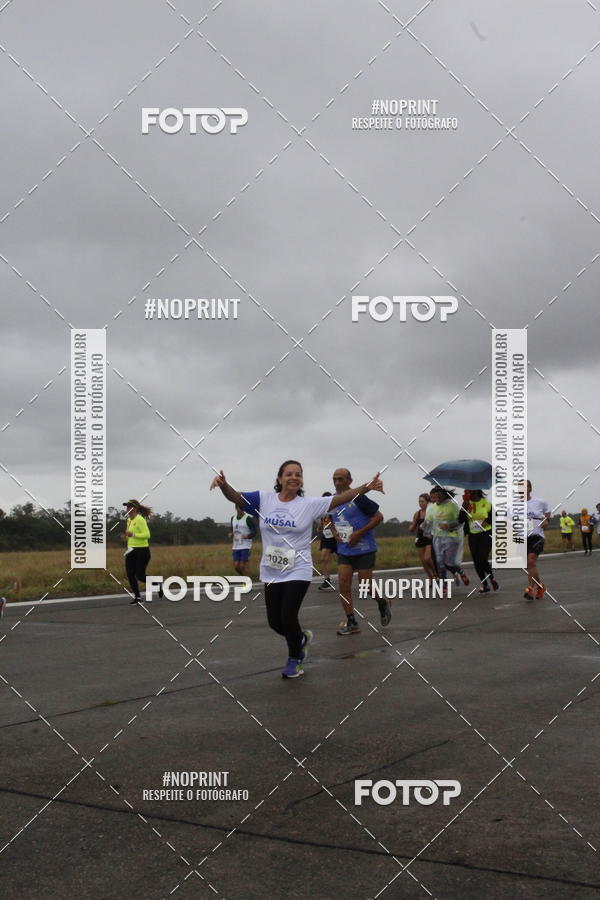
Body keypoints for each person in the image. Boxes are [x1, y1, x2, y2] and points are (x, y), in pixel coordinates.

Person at [210, 462, 384, 678]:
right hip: (272, 569)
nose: (294, 477)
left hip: (298, 568)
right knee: (275, 622)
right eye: (289, 474)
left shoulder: (309, 504)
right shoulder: (264, 500)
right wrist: (223, 485)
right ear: (280, 478)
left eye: (298, 475)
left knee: (288, 615)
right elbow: (236, 498)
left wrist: (366, 487)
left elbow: (343, 498)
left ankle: (295, 659)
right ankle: (300, 639)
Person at [327, 468, 388, 635]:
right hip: (344, 550)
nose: (337, 482)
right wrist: (333, 532)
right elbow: (328, 519)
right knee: (343, 584)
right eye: (335, 479)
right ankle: (352, 622)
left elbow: (379, 517)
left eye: (341, 479)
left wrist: (359, 533)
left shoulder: (358, 498)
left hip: (364, 548)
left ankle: (382, 602)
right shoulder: (332, 500)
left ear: (349, 480)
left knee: (365, 586)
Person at [425, 487, 470, 596]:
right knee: (440, 562)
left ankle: (460, 572)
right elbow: (428, 522)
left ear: (444, 495)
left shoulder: (452, 506)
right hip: (438, 538)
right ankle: (444, 585)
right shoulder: (431, 508)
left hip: (451, 537)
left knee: (450, 562)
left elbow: (459, 522)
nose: (436, 498)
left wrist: (448, 526)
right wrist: (424, 529)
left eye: (437, 495)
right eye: (434, 496)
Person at [122, 499, 163, 604]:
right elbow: (130, 535)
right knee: (130, 574)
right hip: (131, 550)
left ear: (135, 508)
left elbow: (147, 535)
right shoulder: (129, 520)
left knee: (139, 575)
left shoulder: (140, 520)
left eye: (129, 507)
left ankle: (157, 584)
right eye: (126, 507)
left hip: (142, 550)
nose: (127, 509)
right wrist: (125, 536)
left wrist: (133, 535)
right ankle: (138, 597)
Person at [461, 490, 498, 593]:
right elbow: (460, 519)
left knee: (482, 559)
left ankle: (492, 578)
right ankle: (485, 584)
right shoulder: (467, 504)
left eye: (470, 491)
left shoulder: (486, 503)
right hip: (473, 535)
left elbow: (495, 516)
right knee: (476, 562)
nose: (468, 492)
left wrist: (487, 521)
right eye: (467, 491)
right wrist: (464, 505)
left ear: (476, 491)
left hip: (486, 534)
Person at [524, 480, 551, 600]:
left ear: (530, 488)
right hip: (523, 537)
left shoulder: (539, 502)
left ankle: (530, 590)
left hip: (537, 536)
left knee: (531, 561)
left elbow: (548, 512)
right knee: (530, 565)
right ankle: (540, 586)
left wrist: (546, 521)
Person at [409, 493, 437, 581]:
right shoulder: (417, 514)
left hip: (429, 538)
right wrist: (411, 528)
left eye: (422, 501)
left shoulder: (432, 512)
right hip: (419, 538)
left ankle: (436, 574)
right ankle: (431, 579)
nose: (420, 503)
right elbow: (412, 527)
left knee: (427, 558)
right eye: (419, 501)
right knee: (424, 562)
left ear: (428, 502)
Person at [229, 504, 257, 576]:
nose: (240, 510)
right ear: (236, 508)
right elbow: (233, 529)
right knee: (236, 567)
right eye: (239, 508)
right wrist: (231, 534)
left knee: (241, 566)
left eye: (242, 508)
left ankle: (245, 581)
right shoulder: (233, 518)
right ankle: (245, 577)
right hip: (236, 545)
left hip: (245, 545)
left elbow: (254, 531)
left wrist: (247, 536)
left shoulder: (248, 518)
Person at [316, 492, 335, 591]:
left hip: (337, 536)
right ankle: (327, 580)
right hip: (326, 536)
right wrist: (320, 526)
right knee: (323, 557)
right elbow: (323, 520)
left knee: (345, 558)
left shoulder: (336, 508)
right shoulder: (322, 510)